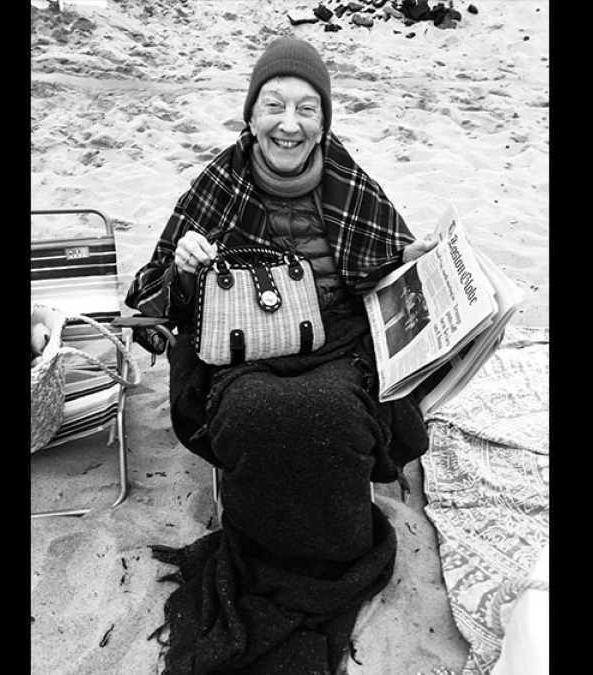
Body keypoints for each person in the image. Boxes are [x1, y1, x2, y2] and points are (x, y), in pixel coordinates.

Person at [125, 36, 438, 675]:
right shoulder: (218, 182)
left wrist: (415, 263)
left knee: (331, 412)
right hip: (244, 347)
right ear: (250, 115)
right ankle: (269, 554)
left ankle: (336, 549)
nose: (288, 124)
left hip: (339, 342)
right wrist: (186, 269)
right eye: (273, 106)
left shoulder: (351, 182)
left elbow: (389, 264)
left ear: (324, 120)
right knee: (257, 414)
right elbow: (156, 294)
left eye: (306, 109)